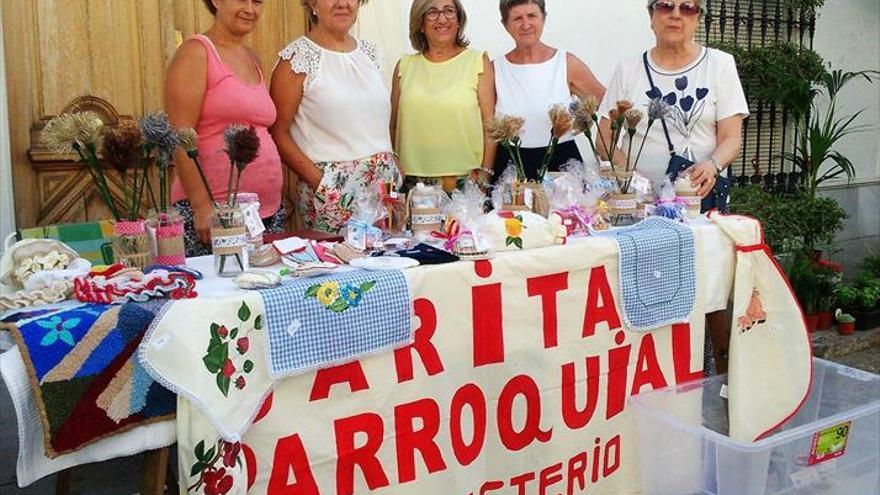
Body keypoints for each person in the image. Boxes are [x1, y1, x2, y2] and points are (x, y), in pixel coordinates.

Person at [599, 0, 750, 374]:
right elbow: (605, 137)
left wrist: (713, 164)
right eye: (666, 5)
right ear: (650, 15)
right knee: (647, 285)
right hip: (643, 209)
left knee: (711, 287)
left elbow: (732, 137)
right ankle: (658, 369)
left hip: (700, 200)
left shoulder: (720, 65)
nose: (676, 14)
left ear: (699, 16)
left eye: (688, 7)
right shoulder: (630, 69)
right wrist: (628, 180)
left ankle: (723, 369)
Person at [166, 0, 286, 256]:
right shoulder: (197, 52)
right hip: (214, 215)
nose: (250, 9)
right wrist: (201, 205)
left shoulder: (251, 57)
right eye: (242, 0)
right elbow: (179, 135)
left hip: (263, 213)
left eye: (257, 2)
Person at [270, 0, 400, 234]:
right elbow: (277, 132)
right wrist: (321, 182)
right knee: (337, 266)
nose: (342, 3)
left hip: (382, 190)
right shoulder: (297, 59)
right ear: (312, 4)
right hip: (333, 193)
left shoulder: (368, 53)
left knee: (387, 265)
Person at [493, 0, 606, 181]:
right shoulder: (495, 69)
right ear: (505, 25)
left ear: (543, 18)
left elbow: (609, 106)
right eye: (517, 18)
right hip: (511, 167)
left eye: (532, 16)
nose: (526, 24)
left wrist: (607, 153)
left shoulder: (566, 63)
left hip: (560, 164)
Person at [391, 0, 496, 193]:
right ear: (420, 24)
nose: (442, 18)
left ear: (458, 20)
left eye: (449, 11)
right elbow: (393, 124)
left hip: (466, 181)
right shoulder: (404, 66)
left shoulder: (477, 61)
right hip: (412, 182)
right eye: (432, 12)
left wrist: (485, 174)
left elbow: (490, 125)